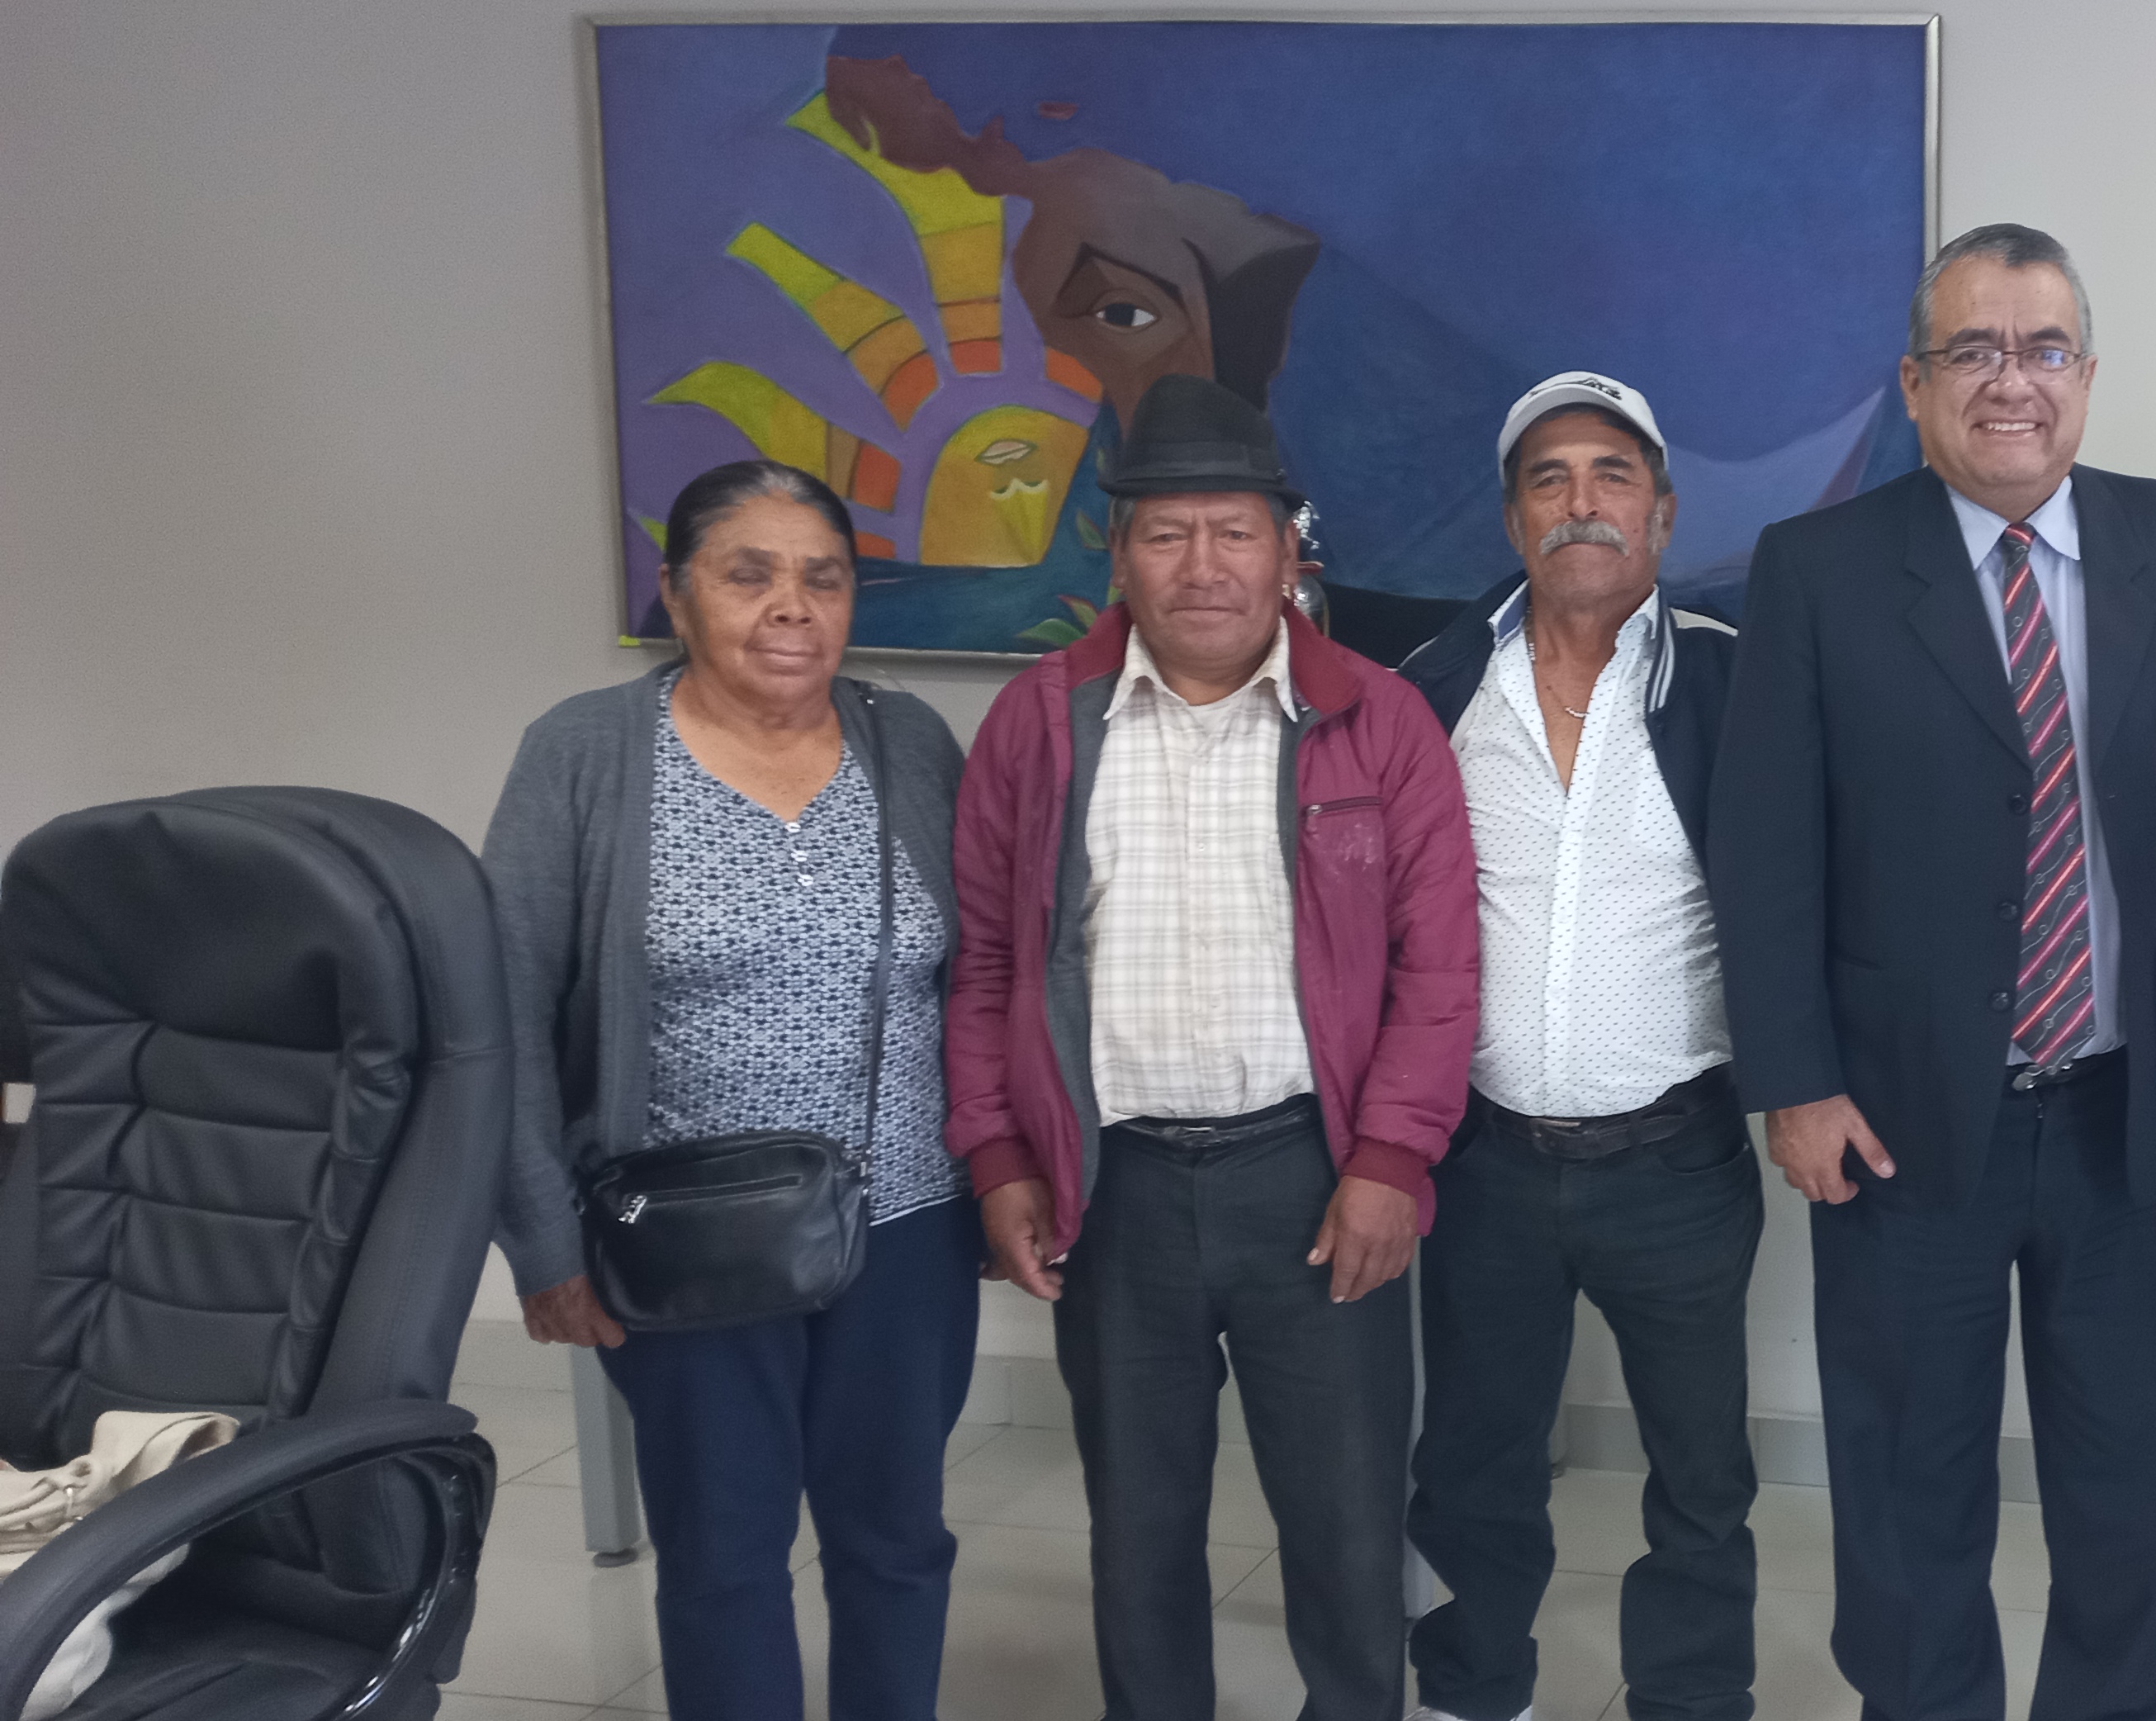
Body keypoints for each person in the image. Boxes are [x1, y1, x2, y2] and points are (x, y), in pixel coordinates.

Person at [1711, 222, 2156, 1721]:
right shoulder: (1819, 569)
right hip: (1898, 1120)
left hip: (2118, 1112)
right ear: (1914, 384)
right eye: (1970, 349)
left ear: (2087, 374)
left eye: (2042, 348)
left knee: (2124, 1478)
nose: (2009, 381)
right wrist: (1794, 1081)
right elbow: (1766, 848)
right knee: (1909, 1482)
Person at [944, 374, 1479, 1721]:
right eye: (1167, 533)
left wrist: (1392, 1161)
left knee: (1347, 1530)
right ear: (1119, 553)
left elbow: (1439, 968)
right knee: (1139, 1533)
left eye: (1234, 532)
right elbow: (988, 959)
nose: (1203, 566)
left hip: (1315, 1181)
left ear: (1288, 551)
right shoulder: (1038, 724)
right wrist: (998, 1154)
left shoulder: (1379, 720)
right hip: (1114, 1188)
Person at [489, 459, 982, 1721]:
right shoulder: (587, 753)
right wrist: (543, 1242)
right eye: (748, 575)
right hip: (685, 1238)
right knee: (722, 1560)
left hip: (904, 1224)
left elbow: (981, 975)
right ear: (675, 593)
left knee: (897, 1541)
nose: (791, 607)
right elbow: (499, 1018)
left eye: (824, 578)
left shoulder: (909, 742)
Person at [1395, 372, 1757, 1721]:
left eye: (1613, 474)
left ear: (1662, 511)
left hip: (1677, 1161)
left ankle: (1692, 1701)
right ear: (1513, 519)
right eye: (1549, 478)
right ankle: (1472, 1693)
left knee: (1701, 1478)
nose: (1582, 501)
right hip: (1484, 1163)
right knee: (1472, 1467)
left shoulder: (1733, 678)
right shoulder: (1436, 688)